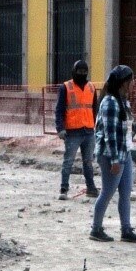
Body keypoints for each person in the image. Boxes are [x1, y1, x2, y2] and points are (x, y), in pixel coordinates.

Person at [91, 65, 136, 243]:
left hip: (124, 152)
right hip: (111, 155)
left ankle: (126, 229)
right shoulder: (110, 103)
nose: (134, 84)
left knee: (125, 191)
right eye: (131, 81)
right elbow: (110, 134)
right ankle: (96, 229)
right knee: (108, 192)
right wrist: (115, 160)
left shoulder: (122, 101)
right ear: (123, 83)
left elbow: (127, 127)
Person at [55, 60, 100, 201]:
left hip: (88, 131)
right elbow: (59, 110)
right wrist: (60, 128)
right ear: (74, 71)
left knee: (88, 162)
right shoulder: (66, 87)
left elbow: (94, 109)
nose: (82, 74)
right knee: (68, 161)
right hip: (72, 131)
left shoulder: (91, 88)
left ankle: (91, 188)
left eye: (84, 72)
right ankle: (64, 188)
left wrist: (94, 125)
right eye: (79, 71)